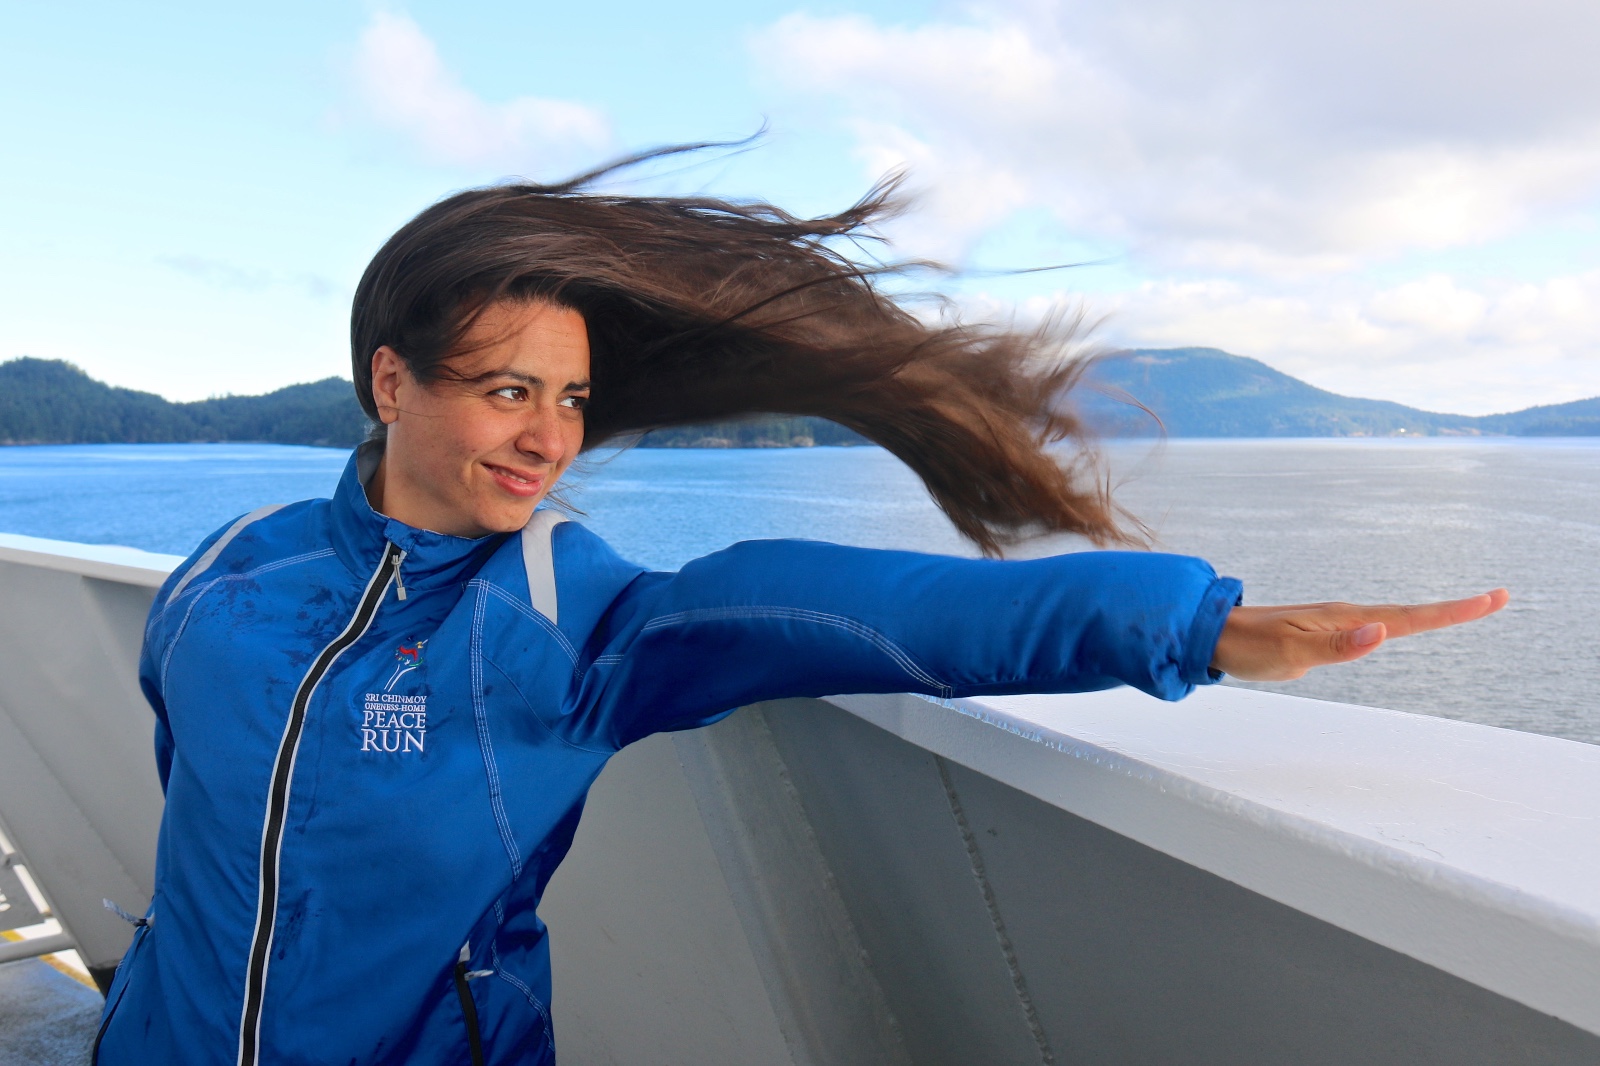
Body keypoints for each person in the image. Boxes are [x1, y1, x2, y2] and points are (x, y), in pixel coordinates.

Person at [93, 150, 1506, 1065]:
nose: (549, 438)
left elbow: (845, 607)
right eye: (509, 390)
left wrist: (1192, 625)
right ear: (393, 383)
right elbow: (197, 790)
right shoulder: (231, 575)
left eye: (571, 398)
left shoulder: (558, 615)